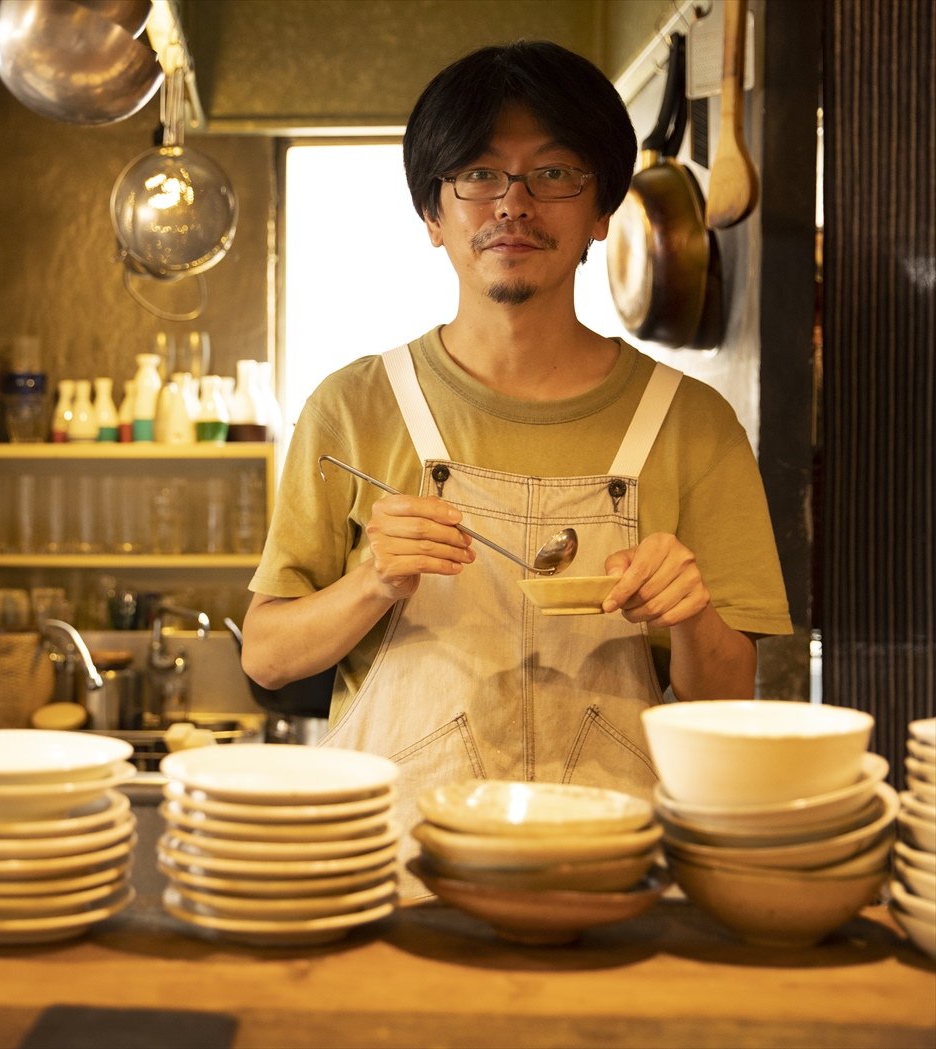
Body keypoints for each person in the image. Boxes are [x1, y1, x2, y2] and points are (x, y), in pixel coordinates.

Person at [239, 41, 792, 898]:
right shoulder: (352, 405)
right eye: (478, 174)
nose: (514, 204)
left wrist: (690, 612)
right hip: (393, 874)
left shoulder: (691, 422)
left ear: (602, 209)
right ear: (433, 213)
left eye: (556, 173)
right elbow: (268, 658)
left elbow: (728, 694)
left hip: (614, 878)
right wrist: (373, 582)